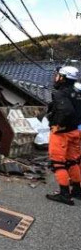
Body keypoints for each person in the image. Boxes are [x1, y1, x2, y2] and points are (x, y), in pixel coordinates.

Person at [46, 66, 81, 205]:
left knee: (58, 163)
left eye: (59, 75)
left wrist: (57, 125)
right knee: (73, 161)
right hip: (75, 131)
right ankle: (77, 191)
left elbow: (65, 111)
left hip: (62, 133)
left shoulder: (61, 93)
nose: (56, 77)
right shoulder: (77, 92)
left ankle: (65, 195)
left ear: (63, 78)